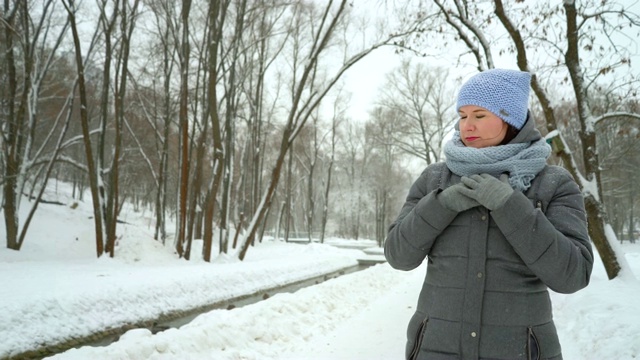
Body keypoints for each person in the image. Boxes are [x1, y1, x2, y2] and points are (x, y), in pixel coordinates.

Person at [384, 68, 594, 360]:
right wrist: (440, 206)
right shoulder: (435, 180)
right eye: (462, 115)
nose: (466, 126)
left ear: (511, 119)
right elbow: (398, 255)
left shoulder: (552, 183)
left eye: (480, 115)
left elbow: (573, 275)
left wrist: (510, 207)